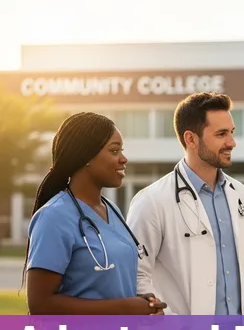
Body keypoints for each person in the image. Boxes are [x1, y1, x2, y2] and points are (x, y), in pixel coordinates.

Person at [126, 92, 244, 315]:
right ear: (191, 139)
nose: (232, 142)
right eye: (221, 134)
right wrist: (164, 321)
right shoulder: (152, 201)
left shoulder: (239, 193)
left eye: (231, 132)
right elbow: (134, 273)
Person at [24, 112, 164, 315]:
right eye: (114, 151)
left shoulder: (112, 211)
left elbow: (108, 287)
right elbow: (40, 305)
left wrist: (140, 303)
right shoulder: (54, 217)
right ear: (86, 156)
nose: (123, 159)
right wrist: (124, 308)